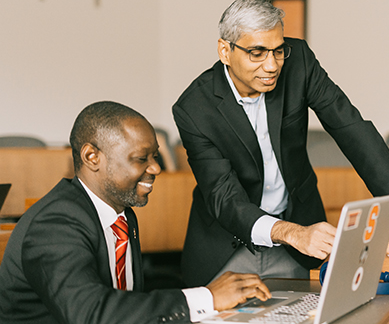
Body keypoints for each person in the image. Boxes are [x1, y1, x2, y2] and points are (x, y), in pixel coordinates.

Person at [172, 0, 389, 288]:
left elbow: (351, 128)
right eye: (257, 53)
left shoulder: (299, 61)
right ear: (225, 51)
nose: (271, 65)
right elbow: (224, 198)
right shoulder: (193, 108)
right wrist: (293, 233)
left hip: (298, 247)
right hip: (226, 247)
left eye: (278, 51)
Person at [0, 101, 270, 323]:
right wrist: (206, 298)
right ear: (92, 157)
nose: (155, 169)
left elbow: (127, 304)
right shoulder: (55, 223)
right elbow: (89, 314)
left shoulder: (122, 213)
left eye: (155, 156)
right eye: (142, 158)